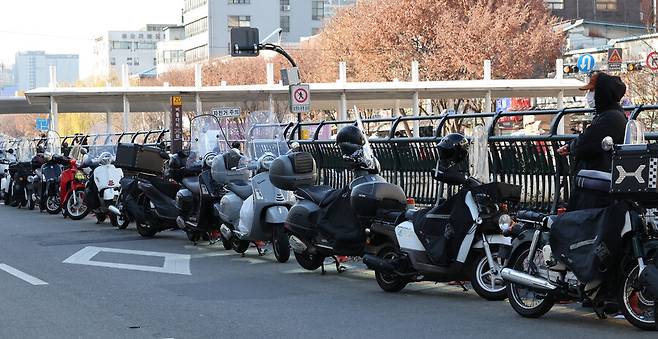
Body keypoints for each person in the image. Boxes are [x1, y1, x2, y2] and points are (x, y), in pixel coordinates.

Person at [556, 72, 627, 210]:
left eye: (592, 90)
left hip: (599, 190)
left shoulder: (610, 118)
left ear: (602, 93)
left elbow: (588, 143)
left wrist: (571, 147)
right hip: (598, 185)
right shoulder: (610, 115)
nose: (588, 95)